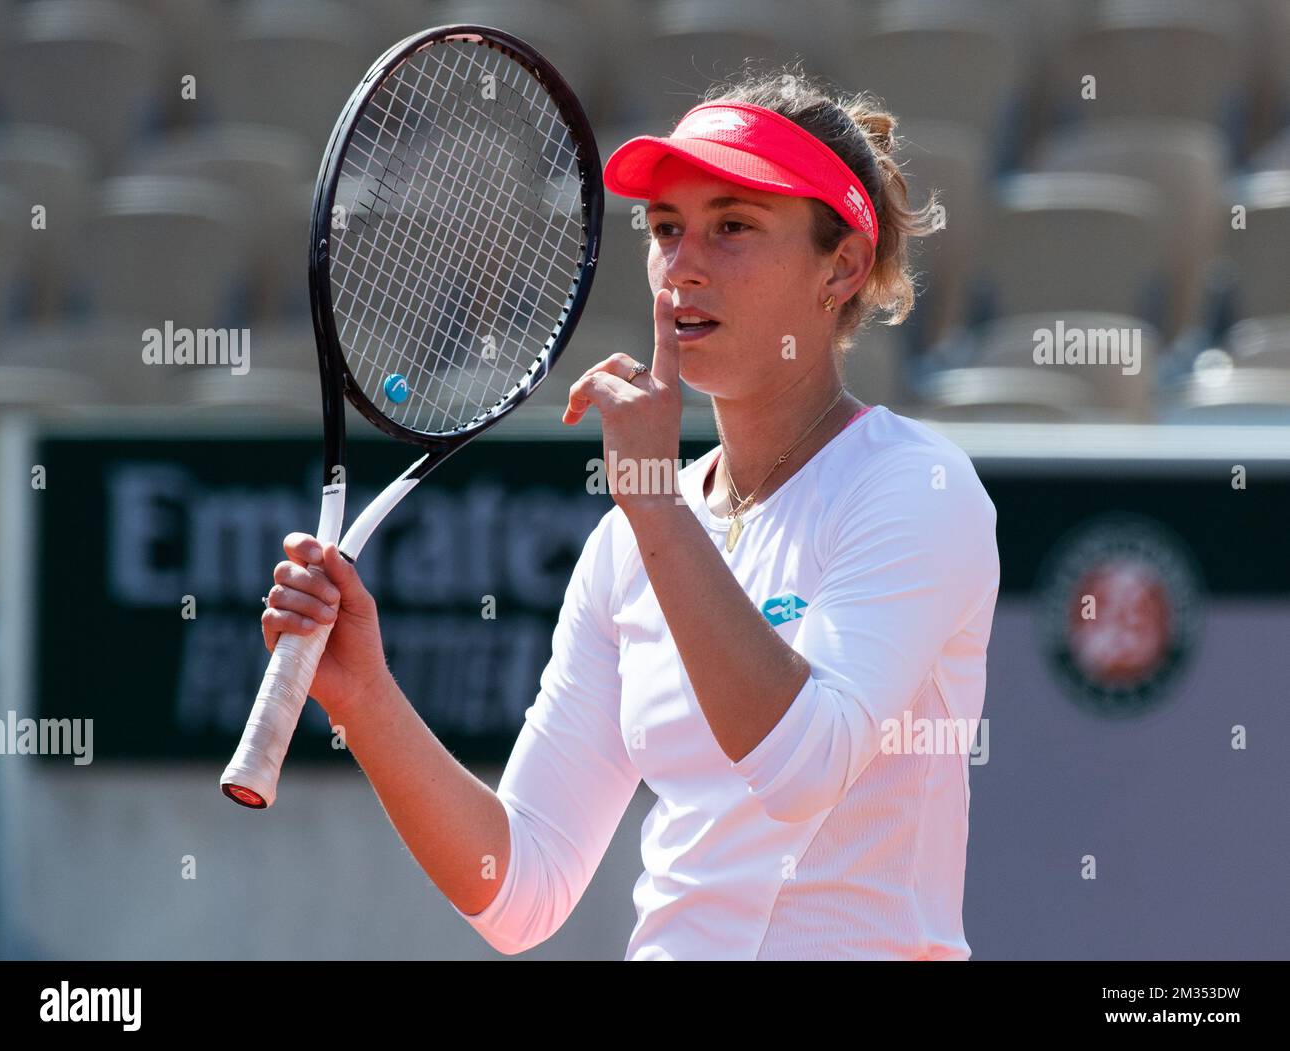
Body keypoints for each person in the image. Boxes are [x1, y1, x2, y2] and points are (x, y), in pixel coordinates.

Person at [261, 69, 1000, 960]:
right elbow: (519, 887)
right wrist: (366, 696)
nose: (683, 263)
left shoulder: (918, 488)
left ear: (840, 267)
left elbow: (803, 767)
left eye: (732, 226)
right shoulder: (630, 541)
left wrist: (653, 505)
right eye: (665, 230)